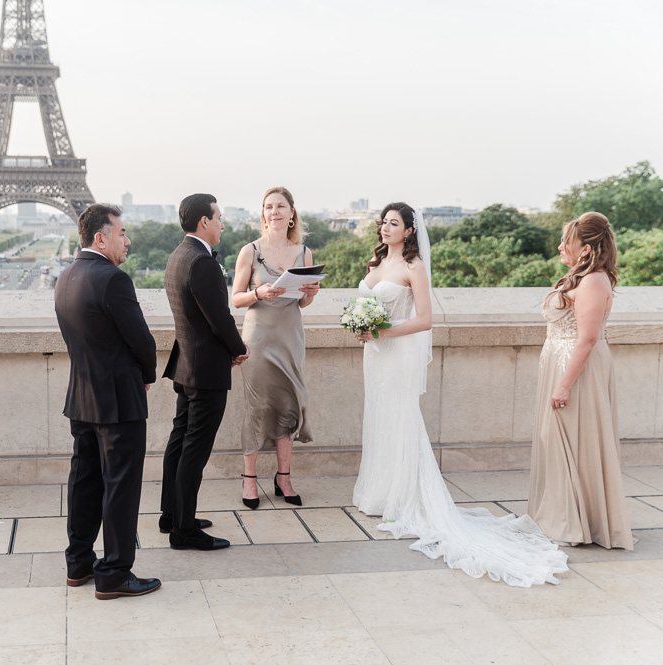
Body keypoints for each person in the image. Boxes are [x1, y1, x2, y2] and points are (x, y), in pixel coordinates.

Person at [352, 202, 568, 587]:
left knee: (401, 418)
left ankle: (406, 498)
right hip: (375, 355)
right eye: (383, 222)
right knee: (380, 416)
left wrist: (381, 330)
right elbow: (365, 302)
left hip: (396, 352)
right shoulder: (376, 264)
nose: (385, 228)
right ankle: (382, 492)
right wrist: (360, 323)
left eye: (394, 223)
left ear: (409, 230)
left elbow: (424, 319)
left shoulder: (414, 268)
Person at [54, 203, 162, 600]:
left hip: (81, 396)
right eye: (121, 233)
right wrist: (146, 376)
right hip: (118, 399)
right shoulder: (113, 279)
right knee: (120, 485)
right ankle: (115, 571)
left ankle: (78, 563)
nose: (127, 240)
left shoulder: (65, 277)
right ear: (100, 237)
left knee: (84, 481)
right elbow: (142, 341)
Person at [528, 212, 633, 549]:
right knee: (561, 439)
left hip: (577, 371)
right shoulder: (581, 277)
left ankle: (574, 522)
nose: (560, 247)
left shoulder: (592, 282)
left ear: (586, 249)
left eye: (567, 242)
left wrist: (564, 384)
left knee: (572, 440)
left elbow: (586, 339)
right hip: (562, 364)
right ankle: (568, 515)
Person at [161, 193, 249, 550]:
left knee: (179, 443)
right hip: (206, 370)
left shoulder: (178, 256)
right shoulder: (202, 262)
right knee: (194, 452)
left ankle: (173, 515)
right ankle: (183, 531)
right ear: (204, 222)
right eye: (219, 217)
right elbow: (220, 319)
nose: (223, 224)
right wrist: (238, 348)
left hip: (186, 366)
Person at [231, 186, 318, 509]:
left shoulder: (304, 252)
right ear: (263, 213)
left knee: (289, 405)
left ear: (292, 213)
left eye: (281, 206)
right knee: (256, 407)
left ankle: (283, 478)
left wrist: (311, 292)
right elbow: (236, 298)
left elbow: (304, 302)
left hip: (290, 337)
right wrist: (259, 293)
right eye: (268, 207)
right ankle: (249, 479)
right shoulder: (250, 251)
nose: (274, 212)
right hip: (258, 339)